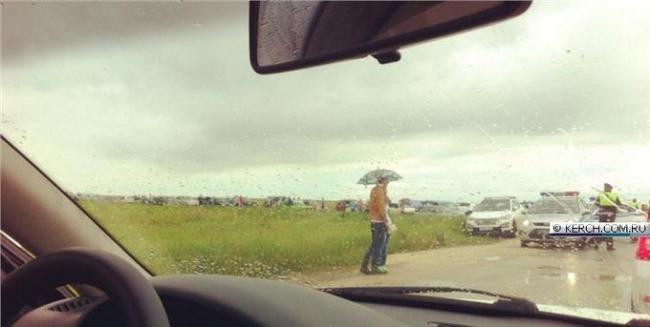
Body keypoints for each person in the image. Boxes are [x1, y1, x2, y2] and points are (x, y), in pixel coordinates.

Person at [360, 177, 390, 274]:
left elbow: (385, 203)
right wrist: (386, 221)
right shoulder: (379, 191)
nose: (389, 182)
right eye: (387, 180)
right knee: (379, 245)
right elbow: (381, 208)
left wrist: (385, 193)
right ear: (384, 181)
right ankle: (375, 265)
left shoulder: (375, 190)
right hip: (379, 221)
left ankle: (366, 266)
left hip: (374, 220)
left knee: (375, 244)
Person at [594, 183, 622, 250]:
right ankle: (606, 245)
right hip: (609, 213)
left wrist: (601, 206)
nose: (605, 188)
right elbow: (619, 204)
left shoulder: (602, 194)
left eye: (607, 187)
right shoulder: (603, 195)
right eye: (605, 187)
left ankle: (598, 243)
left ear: (610, 188)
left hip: (605, 212)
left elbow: (596, 203)